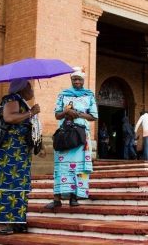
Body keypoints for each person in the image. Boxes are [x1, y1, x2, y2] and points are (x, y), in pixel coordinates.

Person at [0, 79, 45, 235]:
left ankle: (16, 222)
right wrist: (32, 113)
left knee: (18, 187)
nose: (32, 90)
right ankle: (1, 224)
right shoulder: (12, 99)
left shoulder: (21, 102)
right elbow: (9, 118)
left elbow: (26, 126)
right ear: (22, 88)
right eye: (29, 86)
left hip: (18, 154)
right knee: (5, 187)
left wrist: (39, 144)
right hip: (7, 154)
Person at [45, 67, 98, 209]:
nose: (77, 82)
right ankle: (57, 199)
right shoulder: (63, 94)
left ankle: (74, 198)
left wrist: (78, 114)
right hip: (65, 134)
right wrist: (66, 111)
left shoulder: (89, 95)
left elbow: (94, 116)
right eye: (74, 79)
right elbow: (57, 115)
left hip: (80, 135)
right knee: (61, 168)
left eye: (79, 79)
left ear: (83, 80)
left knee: (78, 168)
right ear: (71, 80)